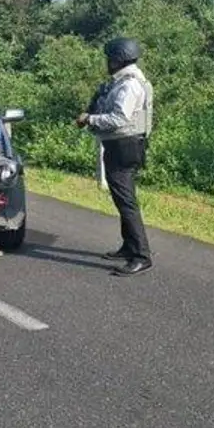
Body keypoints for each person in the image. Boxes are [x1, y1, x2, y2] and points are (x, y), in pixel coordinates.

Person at [75, 37, 154, 277]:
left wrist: (90, 119)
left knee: (126, 202)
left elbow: (120, 118)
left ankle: (141, 255)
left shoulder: (128, 85)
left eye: (110, 58)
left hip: (124, 146)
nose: (107, 63)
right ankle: (128, 246)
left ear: (119, 59)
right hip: (124, 145)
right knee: (123, 199)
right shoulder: (128, 80)